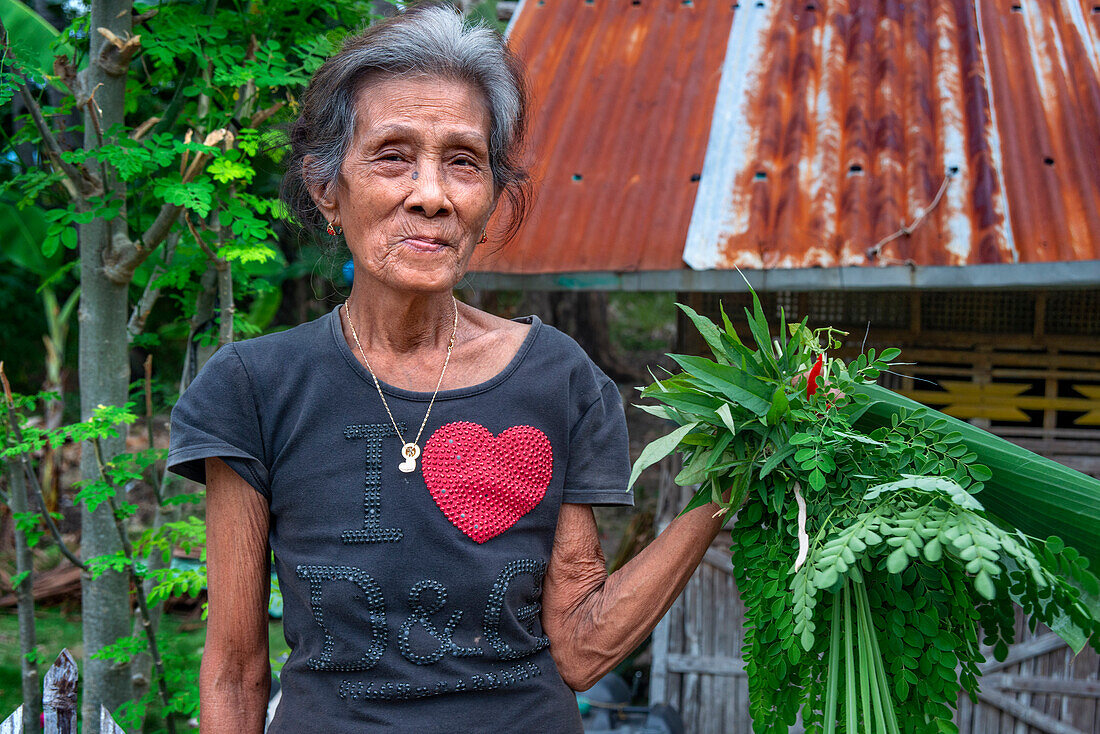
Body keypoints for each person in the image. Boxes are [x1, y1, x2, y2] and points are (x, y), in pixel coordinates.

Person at [167, 6, 737, 732]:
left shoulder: (555, 378)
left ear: (492, 196)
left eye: (462, 161)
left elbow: (583, 648)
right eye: (393, 155)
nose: (431, 194)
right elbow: (234, 671)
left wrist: (723, 489)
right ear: (326, 189)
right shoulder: (255, 387)